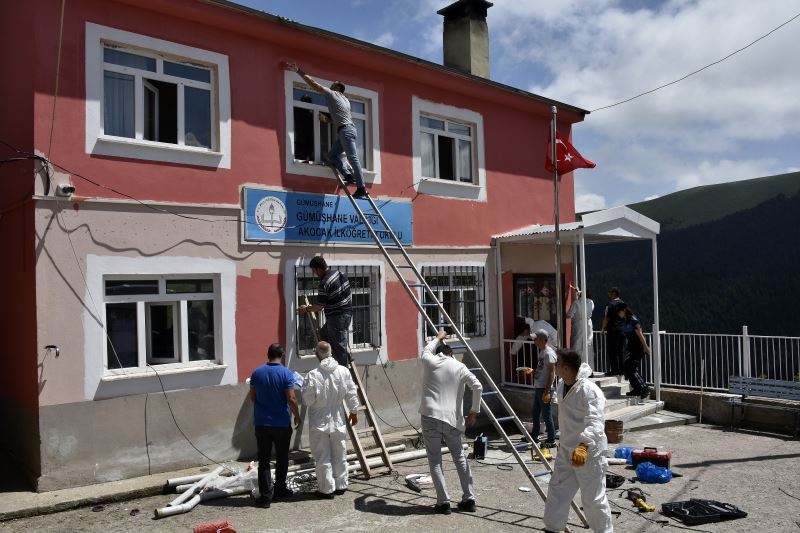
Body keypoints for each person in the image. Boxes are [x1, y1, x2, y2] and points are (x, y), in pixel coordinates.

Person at [543, 349, 614, 533]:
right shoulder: (561, 386)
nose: (554, 364)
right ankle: (552, 528)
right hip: (567, 450)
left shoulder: (590, 391)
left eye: (557, 362)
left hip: (588, 453)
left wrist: (584, 445)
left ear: (566, 368)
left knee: (593, 499)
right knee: (557, 491)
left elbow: (596, 422)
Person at [419, 329, 483, 515]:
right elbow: (477, 386)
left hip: (430, 416)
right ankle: (469, 498)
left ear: (440, 353)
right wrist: (473, 412)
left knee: (435, 460)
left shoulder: (430, 361)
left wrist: (438, 338)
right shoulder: (459, 367)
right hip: (452, 419)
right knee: (459, 457)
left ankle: (443, 502)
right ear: (451, 354)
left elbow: (426, 350)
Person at [285, 62, 369, 199]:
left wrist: (298, 71)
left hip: (345, 132)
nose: (330, 85)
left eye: (333, 84)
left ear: (337, 88)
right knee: (332, 156)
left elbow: (313, 84)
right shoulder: (345, 100)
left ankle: (361, 188)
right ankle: (348, 175)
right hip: (347, 130)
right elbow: (341, 117)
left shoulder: (333, 94)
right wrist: (328, 120)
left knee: (353, 159)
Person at [301, 341, 359, 499]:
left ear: (317, 354)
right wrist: (354, 411)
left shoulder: (313, 374)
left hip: (319, 419)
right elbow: (352, 391)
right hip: (338, 416)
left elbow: (308, 401)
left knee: (322, 455)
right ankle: (341, 485)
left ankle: (326, 489)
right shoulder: (343, 371)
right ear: (331, 352)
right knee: (340, 452)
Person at [249, 343, 300, 507]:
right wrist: (297, 416)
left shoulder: (257, 373)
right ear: (282, 354)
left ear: (268, 354)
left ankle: (265, 497)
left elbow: (253, 396)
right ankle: (280, 490)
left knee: (263, 460)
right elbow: (291, 398)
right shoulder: (286, 373)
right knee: (282, 457)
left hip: (262, 423)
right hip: (281, 423)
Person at [298, 256, 352, 367]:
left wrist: (306, 309)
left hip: (337, 318)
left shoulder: (324, 282)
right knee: (324, 334)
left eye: (314, 271)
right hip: (347, 313)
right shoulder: (340, 274)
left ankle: (343, 371)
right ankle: (345, 357)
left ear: (318, 268)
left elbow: (319, 306)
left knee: (339, 346)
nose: (314, 273)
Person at [529, 329, 557, 446]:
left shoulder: (548, 353)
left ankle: (551, 440)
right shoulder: (542, 352)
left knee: (546, 415)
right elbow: (543, 369)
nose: (534, 341)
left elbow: (551, 372)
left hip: (544, 389)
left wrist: (547, 391)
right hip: (539, 388)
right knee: (536, 413)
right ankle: (534, 436)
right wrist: (533, 371)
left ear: (542, 340)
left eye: (536, 339)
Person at [619, 303, 651, 399]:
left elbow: (640, 334)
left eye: (619, 312)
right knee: (627, 366)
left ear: (624, 310)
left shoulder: (633, 320)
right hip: (631, 347)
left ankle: (644, 388)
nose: (618, 314)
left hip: (638, 347)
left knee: (631, 367)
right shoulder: (625, 320)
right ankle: (636, 389)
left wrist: (645, 347)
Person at [600, 287, 625, 378]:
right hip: (622, 330)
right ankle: (622, 370)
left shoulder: (610, 305)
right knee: (621, 351)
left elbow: (606, 318)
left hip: (613, 330)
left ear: (614, 293)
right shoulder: (623, 303)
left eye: (610, 292)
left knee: (612, 351)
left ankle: (614, 370)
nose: (608, 294)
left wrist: (603, 329)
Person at [566, 285, 594, 367]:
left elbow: (569, 315)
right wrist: (579, 293)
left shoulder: (576, 303)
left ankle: (576, 367)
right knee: (588, 345)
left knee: (577, 345)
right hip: (588, 324)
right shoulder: (591, 302)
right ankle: (589, 368)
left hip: (578, 325)